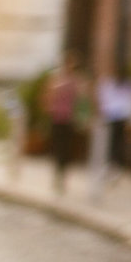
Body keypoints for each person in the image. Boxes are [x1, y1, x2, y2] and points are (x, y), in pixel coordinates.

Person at [42, 62, 84, 196]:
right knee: (58, 146)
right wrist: (49, 109)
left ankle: (62, 174)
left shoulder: (76, 82)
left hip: (69, 119)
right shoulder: (56, 80)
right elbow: (47, 96)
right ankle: (58, 173)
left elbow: (82, 100)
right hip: (57, 118)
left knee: (66, 148)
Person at [96, 70, 131, 177]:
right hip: (112, 118)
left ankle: (115, 166)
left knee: (118, 143)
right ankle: (110, 164)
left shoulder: (127, 87)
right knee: (111, 142)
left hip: (121, 118)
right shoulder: (110, 85)